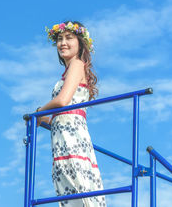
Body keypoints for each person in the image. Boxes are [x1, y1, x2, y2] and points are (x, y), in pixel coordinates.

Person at [35, 21, 106, 207]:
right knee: (68, 182)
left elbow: (63, 101)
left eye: (69, 38)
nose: (63, 43)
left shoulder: (77, 64)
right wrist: (44, 118)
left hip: (71, 133)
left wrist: (38, 113)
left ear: (80, 43)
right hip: (62, 133)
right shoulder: (67, 72)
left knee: (77, 179)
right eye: (59, 39)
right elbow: (60, 109)